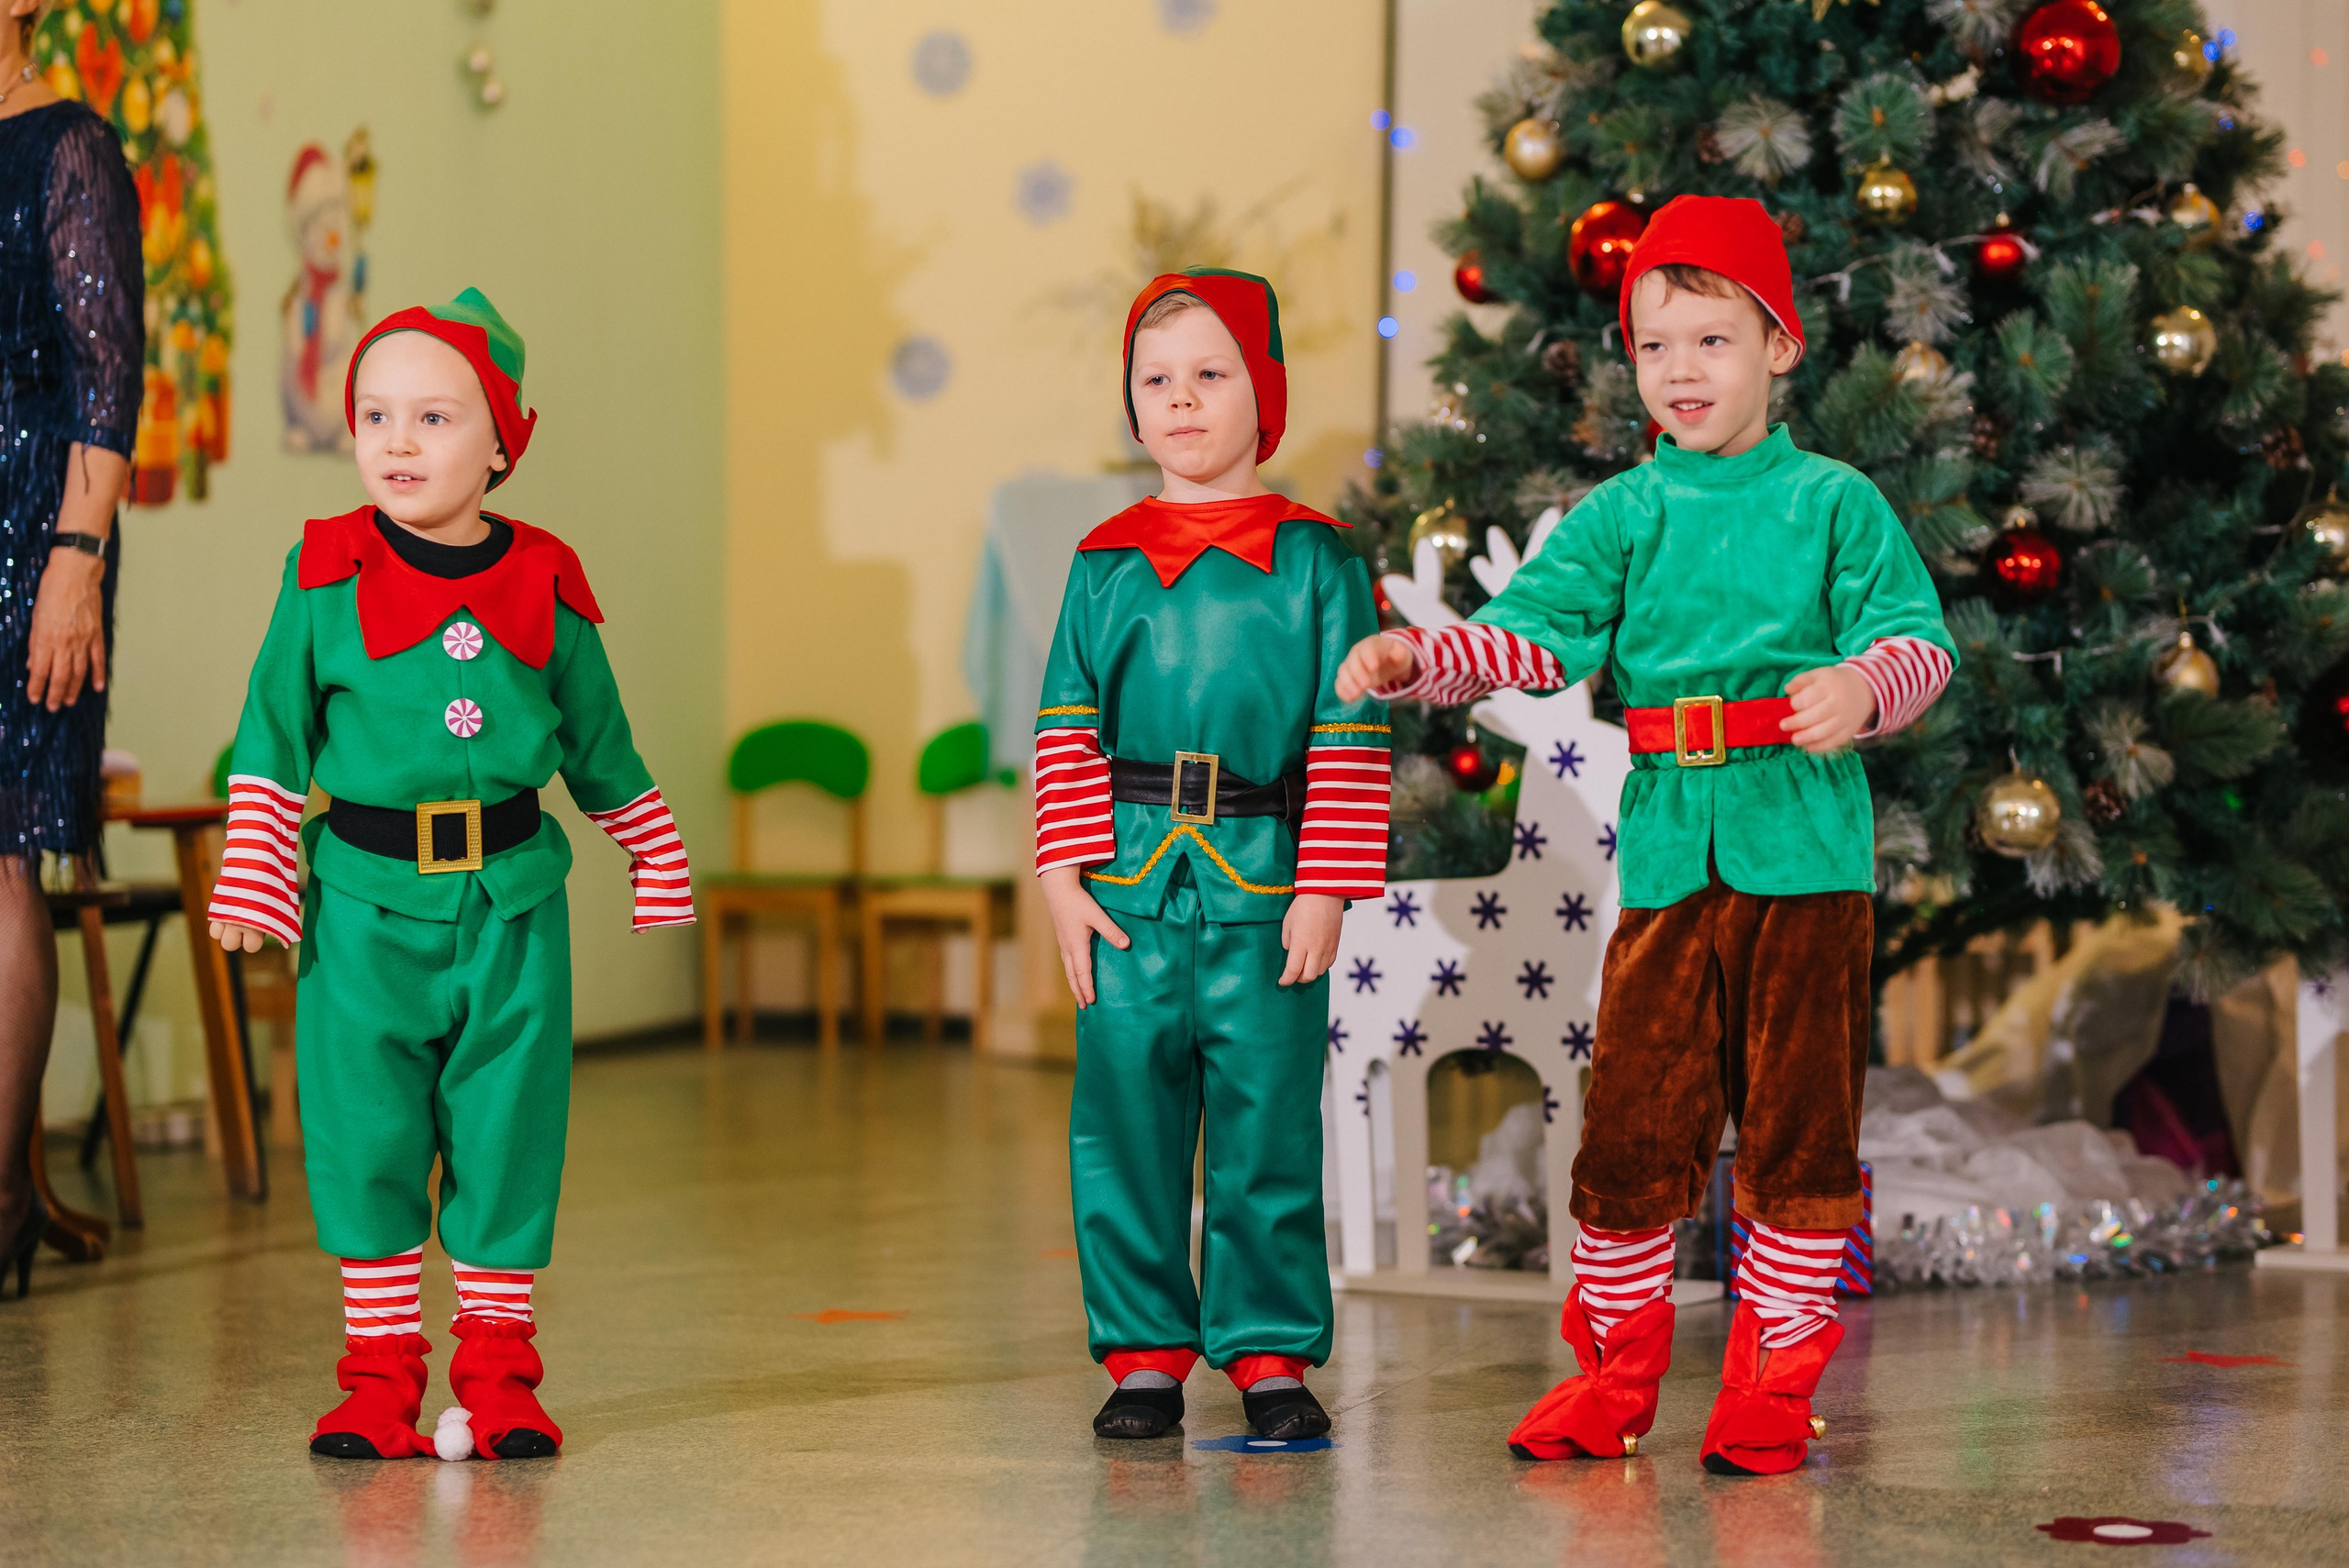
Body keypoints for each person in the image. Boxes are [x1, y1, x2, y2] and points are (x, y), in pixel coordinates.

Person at [1336, 196, 1956, 1475]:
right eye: (1655, 345)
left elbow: (1918, 637)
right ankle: (1611, 1374)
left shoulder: (1835, 503)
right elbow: (1534, 628)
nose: (1680, 370)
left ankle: (1773, 1383)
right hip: (1671, 853)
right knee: (1635, 1118)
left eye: (1712, 341)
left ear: (1779, 347)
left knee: (1795, 1128)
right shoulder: (1626, 513)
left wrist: (1867, 684)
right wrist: (1422, 657)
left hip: (1806, 853)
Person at [205, 290, 695, 1460]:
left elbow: (601, 742)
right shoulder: (322, 572)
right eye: (376, 415)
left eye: (434, 416)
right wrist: (257, 869)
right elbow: (273, 729)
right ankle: (377, 1382)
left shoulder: (548, 579)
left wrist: (652, 851)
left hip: (514, 907)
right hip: (364, 911)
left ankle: (498, 1373)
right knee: (364, 1136)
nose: (398, 440)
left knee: (508, 1134)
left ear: (501, 444)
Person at [1035, 269, 1391, 1440]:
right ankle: (1142, 1351)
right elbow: (1064, 723)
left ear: (1263, 395)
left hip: (1263, 882)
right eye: (1156, 380)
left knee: (1266, 1125)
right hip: (1128, 888)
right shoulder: (1101, 561)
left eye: (1210, 374)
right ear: (1131, 408)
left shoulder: (1316, 560)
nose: (1181, 401)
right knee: (1124, 1119)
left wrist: (1328, 883)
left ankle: (1272, 1355)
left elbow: (1347, 726)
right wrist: (1062, 884)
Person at [0, 0, 143, 1302]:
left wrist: (75, 563)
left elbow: (109, 375)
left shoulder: (69, 148)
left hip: (27, 534)